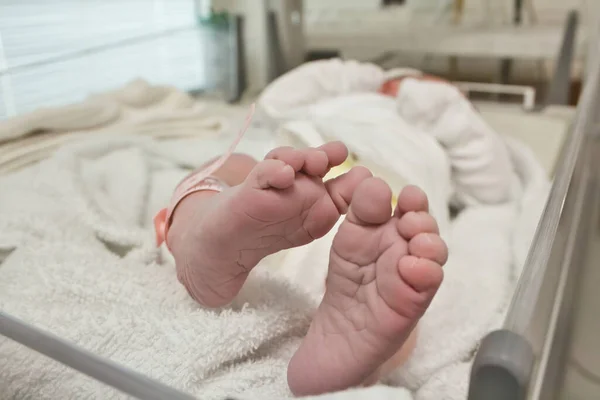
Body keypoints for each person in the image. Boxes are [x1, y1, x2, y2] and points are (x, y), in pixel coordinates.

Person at [154, 138, 448, 396]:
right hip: (289, 208)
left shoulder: (424, 140)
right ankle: (198, 226)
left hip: (366, 245)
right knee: (243, 164)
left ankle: (347, 362)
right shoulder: (349, 114)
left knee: (404, 281)